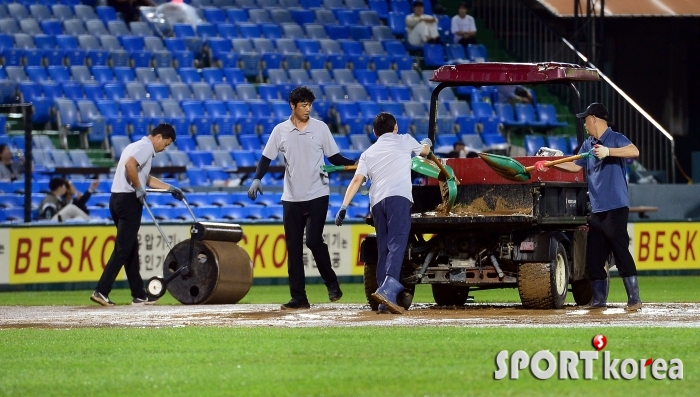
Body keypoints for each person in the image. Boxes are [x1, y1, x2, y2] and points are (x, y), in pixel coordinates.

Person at [248, 86, 356, 310]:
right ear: (293, 106)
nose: (308, 109)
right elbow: (266, 158)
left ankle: (332, 283)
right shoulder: (280, 131)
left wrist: (356, 165)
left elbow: (334, 157)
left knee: (314, 240)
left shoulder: (321, 128)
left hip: (318, 194)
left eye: (310, 105)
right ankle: (299, 297)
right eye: (304, 105)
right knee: (294, 248)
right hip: (291, 198)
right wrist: (257, 179)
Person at [534, 103, 642, 312]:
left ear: (594, 119)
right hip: (597, 209)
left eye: (585, 119)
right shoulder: (587, 145)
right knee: (594, 257)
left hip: (616, 207)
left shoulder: (614, 138)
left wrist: (608, 151)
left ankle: (634, 299)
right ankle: (599, 300)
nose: (584, 124)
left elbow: (634, 151)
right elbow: (575, 165)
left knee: (620, 252)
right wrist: (550, 162)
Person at [335, 113, 431, 314]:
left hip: (377, 202)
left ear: (374, 132)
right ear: (395, 127)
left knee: (384, 248)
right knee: (397, 245)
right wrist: (427, 143)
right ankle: (388, 291)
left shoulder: (368, 153)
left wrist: (343, 207)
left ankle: (382, 298)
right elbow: (424, 153)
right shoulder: (405, 140)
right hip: (399, 199)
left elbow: (356, 181)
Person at [91, 124, 183, 306]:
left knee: (131, 248)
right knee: (123, 249)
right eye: (166, 143)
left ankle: (139, 294)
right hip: (128, 201)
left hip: (116, 199)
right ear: (159, 137)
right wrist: (138, 188)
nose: (165, 148)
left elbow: (144, 177)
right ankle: (101, 291)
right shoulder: (146, 147)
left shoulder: (133, 146)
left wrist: (169, 188)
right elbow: (130, 165)